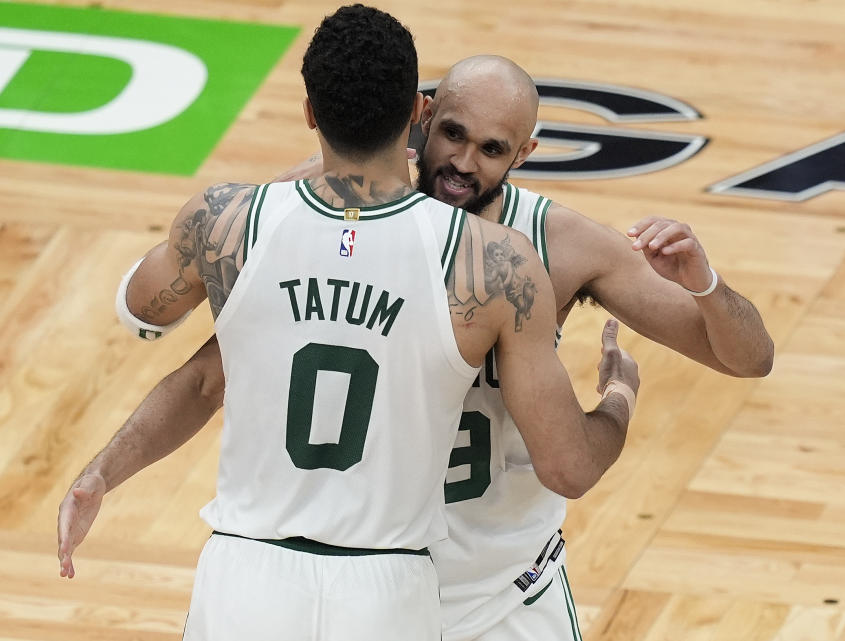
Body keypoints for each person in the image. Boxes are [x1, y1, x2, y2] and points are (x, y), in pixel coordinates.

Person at [59, 54, 770, 641]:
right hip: (371, 584)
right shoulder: (333, 216)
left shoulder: (557, 246)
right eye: (452, 135)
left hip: (496, 589)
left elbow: (748, 356)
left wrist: (704, 282)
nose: (462, 163)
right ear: (422, 115)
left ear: (524, 153)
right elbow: (207, 376)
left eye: (492, 150)